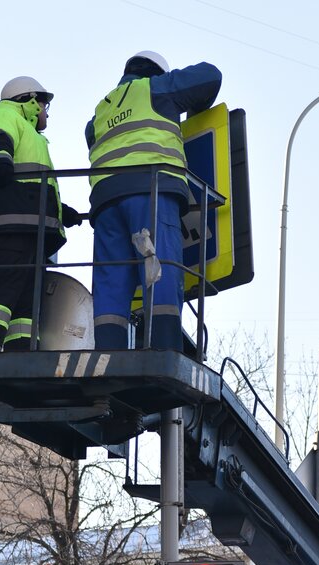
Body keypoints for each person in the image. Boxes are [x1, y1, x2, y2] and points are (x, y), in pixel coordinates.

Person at [85, 51, 221, 351]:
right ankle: (164, 347)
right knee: (160, 266)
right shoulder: (157, 88)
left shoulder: (100, 112)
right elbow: (211, 76)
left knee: (111, 280)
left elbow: (92, 137)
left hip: (106, 203)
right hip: (150, 190)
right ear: (156, 72)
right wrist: (191, 107)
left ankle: (109, 354)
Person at [0, 76, 83, 353]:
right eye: (44, 106)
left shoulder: (33, 136)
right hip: (10, 221)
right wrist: (0, 160)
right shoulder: (4, 113)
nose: (46, 113)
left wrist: (59, 211)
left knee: (25, 297)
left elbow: (35, 182)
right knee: (4, 287)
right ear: (29, 100)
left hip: (27, 224)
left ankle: (21, 351)